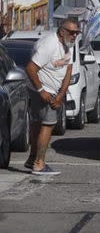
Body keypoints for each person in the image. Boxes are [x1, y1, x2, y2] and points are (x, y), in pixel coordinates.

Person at [24, 20, 78, 176]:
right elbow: (31, 68)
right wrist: (41, 90)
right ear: (62, 31)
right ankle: (39, 164)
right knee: (48, 124)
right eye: (72, 32)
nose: (74, 35)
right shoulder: (49, 45)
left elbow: (68, 70)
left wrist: (61, 95)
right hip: (42, 88)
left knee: (37, 123)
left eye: (77, 32)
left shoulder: (69, 44)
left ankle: (32, 159)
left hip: (53, 90)